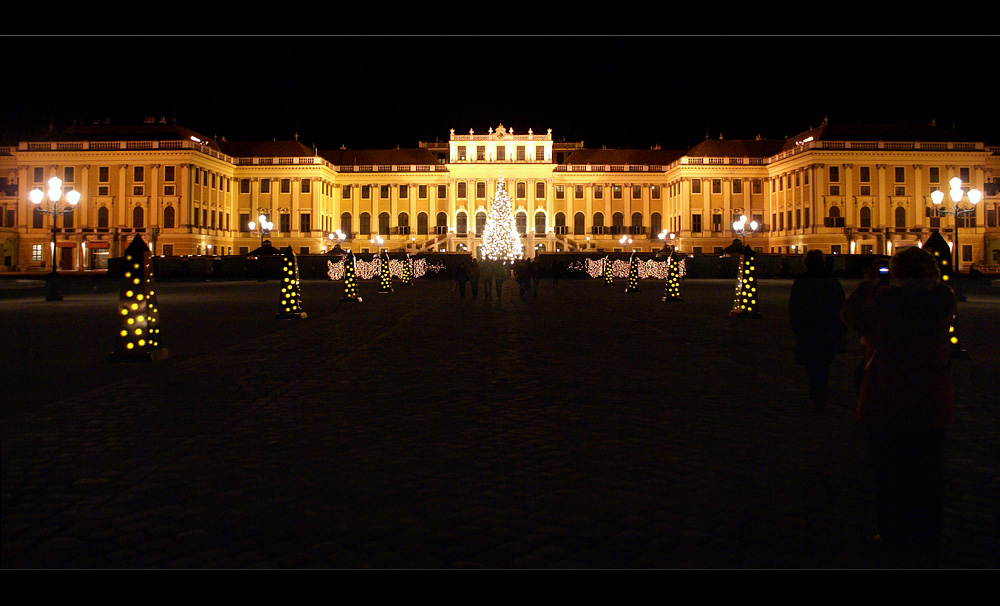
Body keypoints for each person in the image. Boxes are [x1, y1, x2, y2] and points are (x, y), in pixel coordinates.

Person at [840, 246, 957, 566]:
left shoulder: (886, 300)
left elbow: (850, 315)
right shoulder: (944, 297)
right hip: (932, 399)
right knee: (929, 472)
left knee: (890, 472)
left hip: (890, 397)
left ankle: (894, 533)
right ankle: (929, 532)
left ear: (897, 271)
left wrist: (869, 282)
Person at [788, 250, 846, 411]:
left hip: (808, 329)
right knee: (824, 364)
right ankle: (821, 394)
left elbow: (795, 306)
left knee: (812, 366)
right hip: (828, 329)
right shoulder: (832, 281)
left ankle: (816, 394)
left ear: (806, 263)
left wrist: (797, 327)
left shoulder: (801, 281)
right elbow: (841, 304)